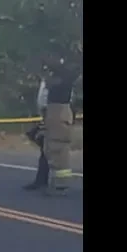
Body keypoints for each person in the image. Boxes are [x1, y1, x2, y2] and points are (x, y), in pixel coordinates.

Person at [41, 58, 79, 196]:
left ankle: (60, 185)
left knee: (57, 148)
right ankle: (58, 183)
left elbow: (50, 84)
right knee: (54, 148)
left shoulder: (61, 80)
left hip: (58, 113)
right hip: (57, 113)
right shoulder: (65, 78)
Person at [22, 76, 50, 191]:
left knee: (50, 152)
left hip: (52, 117)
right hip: (47, 116)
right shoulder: (46, 83)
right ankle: (42, 180)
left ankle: (50, 182)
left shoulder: (54, 83)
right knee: (45, 151)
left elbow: (44, 102)